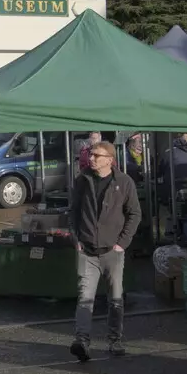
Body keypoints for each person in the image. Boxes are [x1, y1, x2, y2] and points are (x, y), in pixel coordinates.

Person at [69, 140, 142, 362]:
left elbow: (135, 214)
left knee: (115, 298)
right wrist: (76, 239)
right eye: (91, 155)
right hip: (87, 250)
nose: (91, 158)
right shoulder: (83, 180)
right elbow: (73, 211)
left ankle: (115, 339)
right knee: (85, 297)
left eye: (96, 156)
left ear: (109, 160)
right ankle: (81, 341)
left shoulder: (124, 182)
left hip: (113, 250)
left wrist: (122, 243)